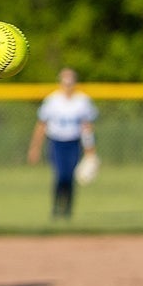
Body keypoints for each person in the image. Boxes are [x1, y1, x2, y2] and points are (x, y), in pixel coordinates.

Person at [29, 67, 98, 219]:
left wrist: (90, 151)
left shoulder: (82, 101)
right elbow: (41, 125)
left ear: (75, 82)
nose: (67, 85)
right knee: (60, 175)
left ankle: (68, 210)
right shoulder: (52, 100)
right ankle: (56, 207)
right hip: (56, 142)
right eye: (64, 81)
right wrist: (35, 147)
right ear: (60, 82)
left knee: (70, 176)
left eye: (70, 81)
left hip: (74, 143)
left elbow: (87, 127)